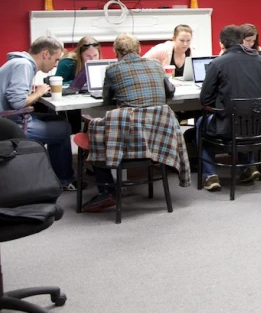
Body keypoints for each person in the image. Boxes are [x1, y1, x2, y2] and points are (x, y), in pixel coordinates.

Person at [78, 33, 176, 212]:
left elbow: (106, 99)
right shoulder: (156, 64)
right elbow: (170, 91)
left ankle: (107, 191)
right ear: (139, 50)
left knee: (96, 135)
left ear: (116, 52)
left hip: (129, 137)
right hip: (158, 136)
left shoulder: (113, 69)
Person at [199, 25, 261, 192]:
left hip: (229, 128)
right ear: (241, 41)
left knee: (200, 124)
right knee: (242, 120)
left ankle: (210, 175)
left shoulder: (217, 63)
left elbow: (204, 99)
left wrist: (221, 100)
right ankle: (249, 166)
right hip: (259, 127)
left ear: (221, 44)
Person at [0, 36, 75, 189]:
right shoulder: (23, 65)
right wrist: (39, 92)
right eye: (55, 59)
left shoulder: (17, 62)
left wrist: (33, 93)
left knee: (57, 120)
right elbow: (17, 102)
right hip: (9, 124)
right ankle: (63, 180)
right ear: (45, 54)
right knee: (64, 129)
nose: (55, 65)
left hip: (8, 118)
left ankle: (56, 176)